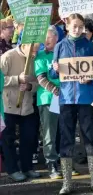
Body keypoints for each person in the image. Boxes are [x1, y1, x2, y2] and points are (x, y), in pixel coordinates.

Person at [50, 13, 93, 194]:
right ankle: (67, 183)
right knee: (66, 139)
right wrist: (55, 69)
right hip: (66, 100)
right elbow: (52, 74)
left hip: (85, 99)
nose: (77, 29)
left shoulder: (89, 46)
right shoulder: (59, 46)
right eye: (74, 26)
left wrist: (89, 79)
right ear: (66, 25)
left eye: (80, 26)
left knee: (89, 139)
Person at [0, 42, 41, 182]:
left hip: (27, 106)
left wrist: (30, 86)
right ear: (24, 45)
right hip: (8, 105)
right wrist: (17, 79)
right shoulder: (8, 56)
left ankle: (27, 167)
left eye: (37, 49)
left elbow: (37, 83)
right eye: (33, 49)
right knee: (8, 140)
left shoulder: (36, 59)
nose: (35, 53)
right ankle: (12, 170)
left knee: (28, 138)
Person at [34, 26, 62, 179]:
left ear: (56, 38)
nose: (46, 40)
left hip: (65, 99)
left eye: (49, 37)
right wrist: (55, 90)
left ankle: (65, 162)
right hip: (48, 99)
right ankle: (51, 164)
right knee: (49, 133)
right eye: (44, 38)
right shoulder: (40, 56)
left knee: (64, 132)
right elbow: (41, 78)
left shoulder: (63, 53)